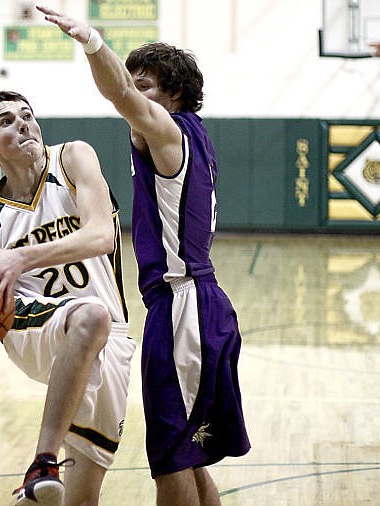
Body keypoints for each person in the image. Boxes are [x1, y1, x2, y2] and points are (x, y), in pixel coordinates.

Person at [39, 6, 251, 506]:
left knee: (171, 462)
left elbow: (119, 94)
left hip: (184, 308)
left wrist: (91, 40)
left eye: (147, 86)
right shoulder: (185, 140)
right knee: (190, 458)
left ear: (174, 95)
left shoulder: (172, 133)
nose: (136, 94)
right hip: (186, 307)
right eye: (136, 84)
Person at [0, 91, 136, 506]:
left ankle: (39, 488)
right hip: (31, 328)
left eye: (27, 116)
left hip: (110, 341)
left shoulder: (73, 159)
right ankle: (42, 460)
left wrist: (19, 257)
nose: (22, 124)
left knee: (82, 493)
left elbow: (101, 235)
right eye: (6, 121)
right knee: (89, 316)